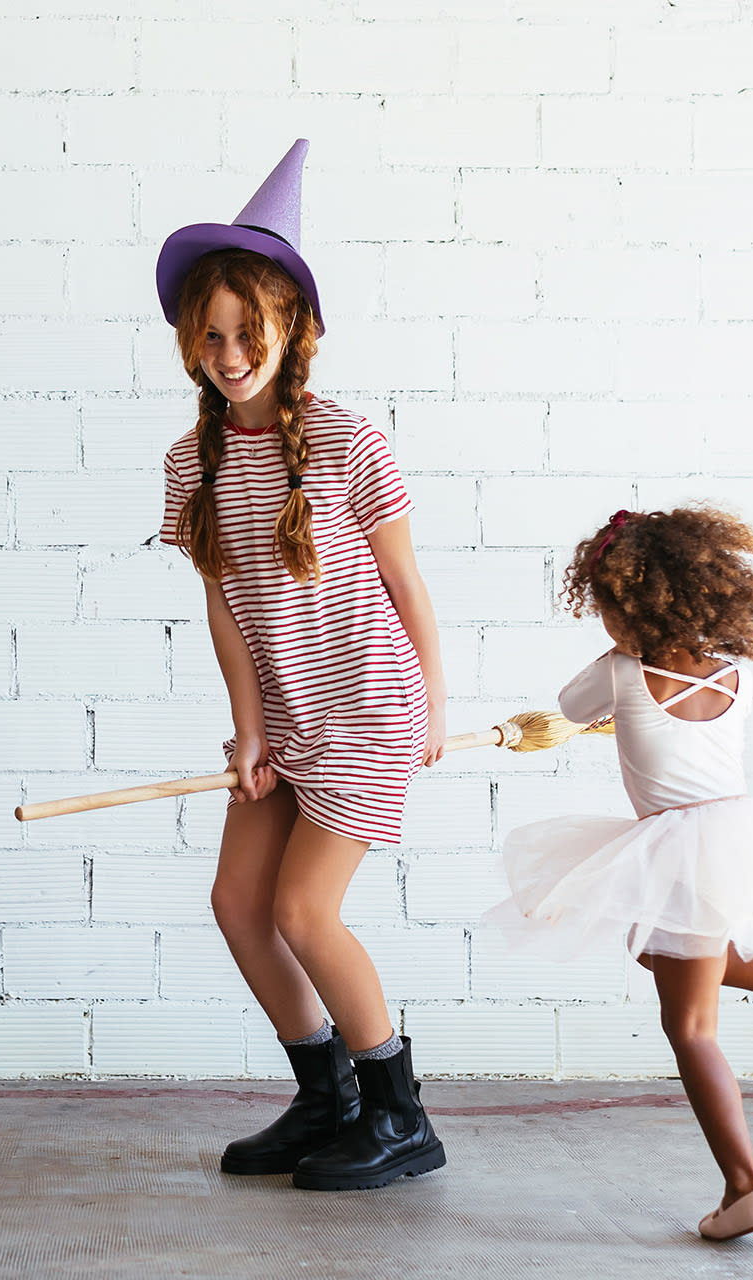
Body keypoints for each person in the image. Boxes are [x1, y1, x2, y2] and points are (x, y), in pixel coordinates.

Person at [156, 141, 449, 1192]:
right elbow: (223, 604)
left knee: (303, 912)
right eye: (212, 335)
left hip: (368, 705)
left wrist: (433, 700)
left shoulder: (348, 439)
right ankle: (327, 1097)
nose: (230, 352)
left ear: (295, 329)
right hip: (283, 716)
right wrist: (247, 726)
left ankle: (401, 1113)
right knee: (241, 903)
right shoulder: (191, 462)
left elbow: (409, 586)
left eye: (250, 331)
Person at [488, 505, 753, 1240]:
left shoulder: (618, 672)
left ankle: (746, 1186)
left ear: (632, 606)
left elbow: (568, 709)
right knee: (651, 948)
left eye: (609, 608)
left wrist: (616, 694)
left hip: (671, 849)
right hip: (733, 839)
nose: (606, 623)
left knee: (690, 1028)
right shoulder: (737, 677)